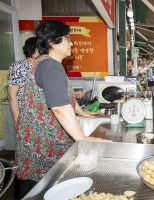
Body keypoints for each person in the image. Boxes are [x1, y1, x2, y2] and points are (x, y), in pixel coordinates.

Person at [14, 20, 110, 199]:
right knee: (43, 191)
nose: (71, 43)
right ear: (51, 42)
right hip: (41, 144)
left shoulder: (45, 62)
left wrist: (82, 113)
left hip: (37, 140)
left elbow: (63, 97)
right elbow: (59, 107)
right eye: (67, 38)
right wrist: (82, 139)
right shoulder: (51, 66)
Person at [7, 37, 39, 126]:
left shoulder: (44, 66)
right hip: (26, 116)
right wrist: (16, 119)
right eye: (39, 47)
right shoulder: (17, 66)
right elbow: (11, 95)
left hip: (44, 116)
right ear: (31, 49)